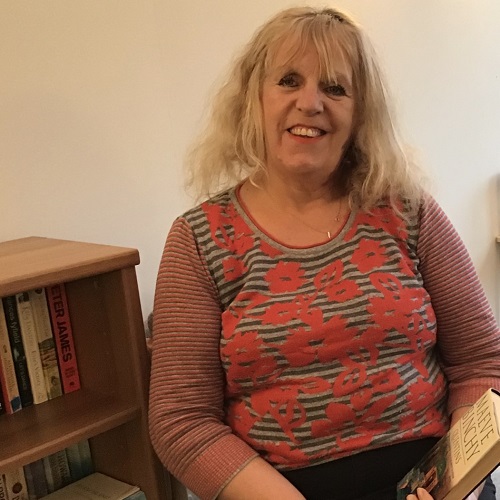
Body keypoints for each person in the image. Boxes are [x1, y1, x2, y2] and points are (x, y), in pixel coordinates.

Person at [148, 6, 500, 500]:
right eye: (289, 81)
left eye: (335, 88)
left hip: (431, 484)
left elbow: (482, 363)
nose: (309, 103)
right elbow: (181, 421)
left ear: (361, 113)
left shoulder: (410, 212)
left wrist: (457, 476)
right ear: (254, 99)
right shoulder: (198, 239)